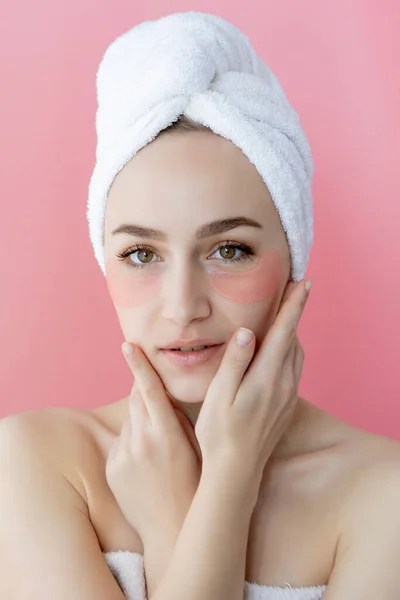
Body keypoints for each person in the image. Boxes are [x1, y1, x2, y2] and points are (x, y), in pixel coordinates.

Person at [1, 12, 400, 600]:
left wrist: (219, 486)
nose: (184, 306)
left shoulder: (383, 495)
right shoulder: (35, 463)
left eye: (229, 249)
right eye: (141, 254)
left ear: (292, 255)